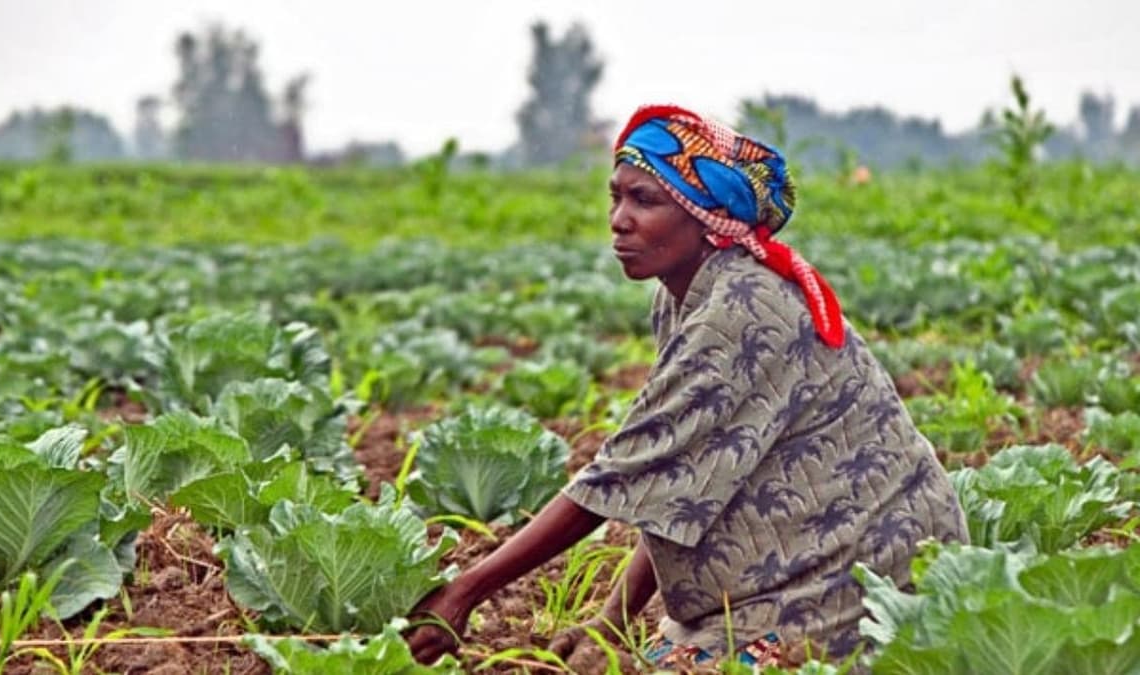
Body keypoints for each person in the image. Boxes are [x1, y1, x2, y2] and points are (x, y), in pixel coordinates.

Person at [407, 104, 968, 669]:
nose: (619, 220)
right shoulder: (684, 295)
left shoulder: (743, 309)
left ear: (706, 217)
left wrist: (464, 592)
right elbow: (682, 475)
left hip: (860, 578)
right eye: (616, 197)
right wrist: (612, 619)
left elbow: (626, 470)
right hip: (780, 574)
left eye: (644, 200)